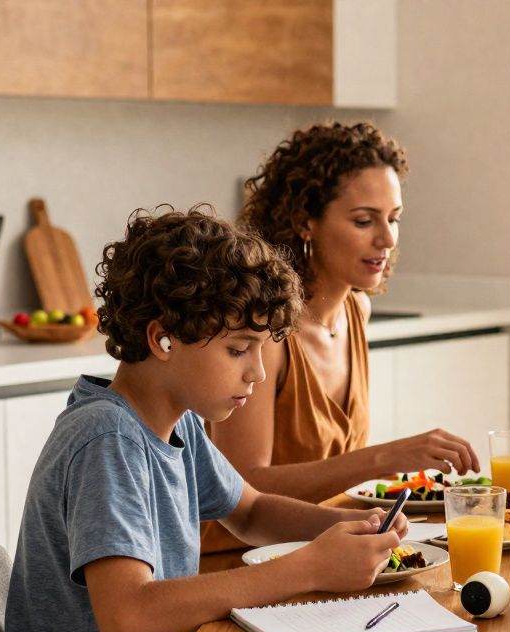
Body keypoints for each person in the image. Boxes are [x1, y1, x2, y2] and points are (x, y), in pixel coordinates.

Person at [0, 208, 408, 632]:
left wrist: (343, 530)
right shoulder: (108, 439)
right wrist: (308, 568)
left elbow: (252, 511)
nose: (257, 373)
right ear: (163, 339)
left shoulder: (176, 424)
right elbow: (129, 621)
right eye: (239, 349)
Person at [205, 121, 480, 552]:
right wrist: (383, 458)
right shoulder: (266, 332)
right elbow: (241, 487)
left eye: (394, 219)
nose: (387, 238)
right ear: (304, 222)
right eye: (364, 220)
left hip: (319, 548)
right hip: (242, 560)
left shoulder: (356, 310)